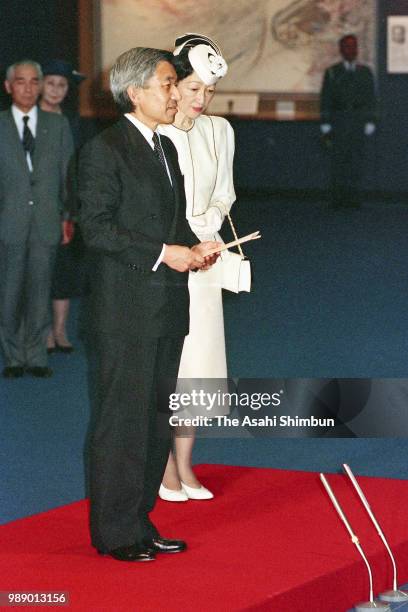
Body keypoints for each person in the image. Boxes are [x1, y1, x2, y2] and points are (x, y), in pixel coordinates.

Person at [78, 47, 220, 562]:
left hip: (165, 306)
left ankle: (138, 519)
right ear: (134, 92)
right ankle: (114, 532)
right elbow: (96, 231)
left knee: (156, 418)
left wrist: (195, 247)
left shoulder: (165, 147)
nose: (174, 92)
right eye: (166, 83)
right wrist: (166, 252)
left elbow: (171, 223)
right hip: (124, 310)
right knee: (122, 421)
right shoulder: (104, 149)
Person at [158, 34, 235, 501]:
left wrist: (210, 227)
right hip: (168, 262)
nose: (201, 100)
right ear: (173, 86)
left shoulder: (220, 130)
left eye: (208, 91)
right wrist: (184, 236)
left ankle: (186, 464)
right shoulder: (157, 131)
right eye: (192, 89)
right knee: (169, 366)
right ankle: (163, 466)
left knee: (199, 368)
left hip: (205, 262)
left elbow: (226, 190)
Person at [0, 60, 74, 378]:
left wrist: (67, 217)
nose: (28, 88)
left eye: (34, 82)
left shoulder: (57, 126)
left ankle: (37, 356)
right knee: (10, 290)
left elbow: (67, 176)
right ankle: (14, 356)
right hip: (9, 222)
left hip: (46, 221)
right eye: (21, 82)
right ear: (8, 87)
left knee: (41, 289)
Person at [39, 60, 86, 354]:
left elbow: (74, 167)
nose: (56, 90)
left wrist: (70, 211)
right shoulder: (25, 119)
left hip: (65, 207)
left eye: (62, 85)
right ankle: (41, 331)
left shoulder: (72, 121)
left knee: (62, 272)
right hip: (32, 209)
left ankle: (60, 331)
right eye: (51, 83)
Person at [320, 34, 378, 209]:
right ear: (341, 50)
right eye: (347, 47)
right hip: (339, 121)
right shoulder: (332, 72)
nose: (351, 50)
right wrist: (325, 123)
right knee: (338, 162)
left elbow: (371, 98)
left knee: (355, 161)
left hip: (358, 122)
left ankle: (353, 199)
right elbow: (326, 98)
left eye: (354, 47)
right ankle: (338, 199)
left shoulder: (365, 71)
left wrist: (370, 120)